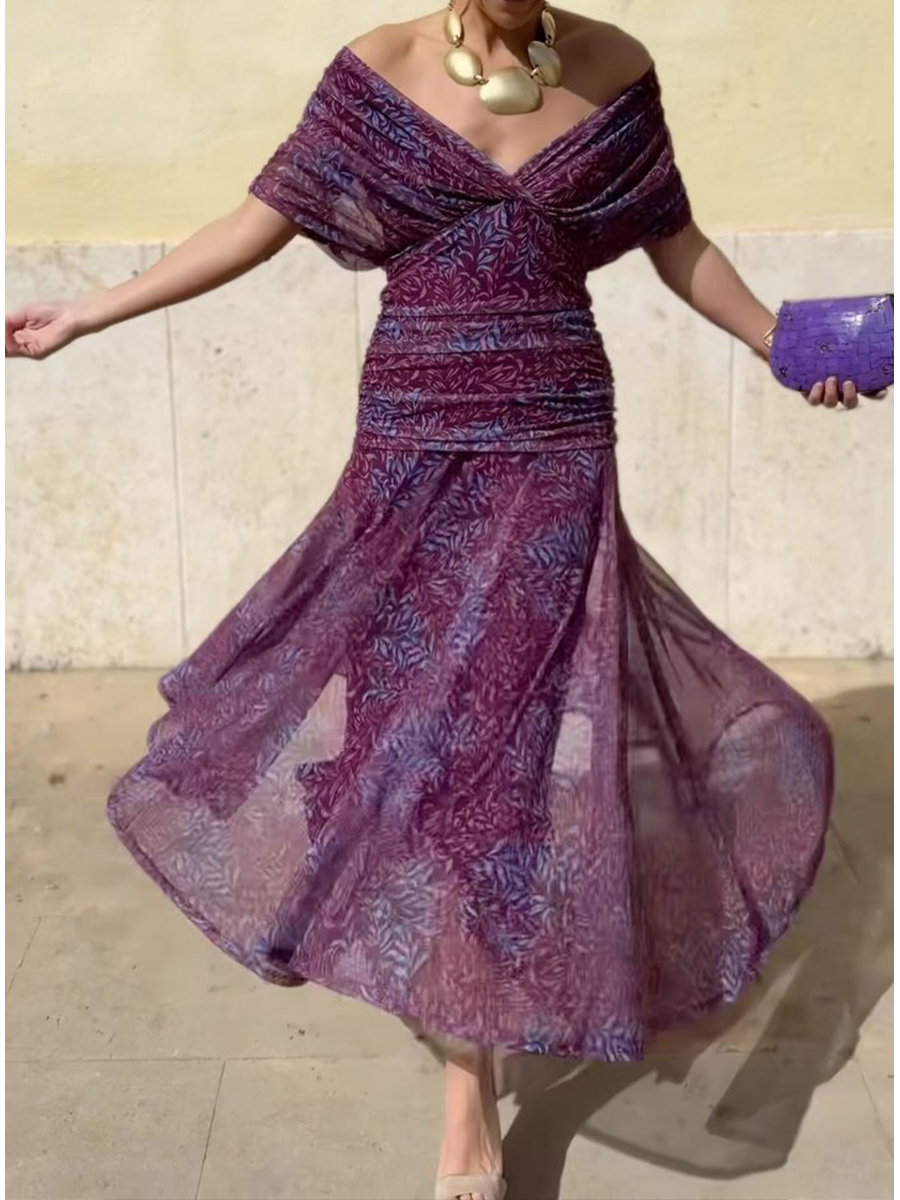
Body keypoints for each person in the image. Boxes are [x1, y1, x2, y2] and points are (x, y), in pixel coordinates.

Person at [6, 5, 873, 1199]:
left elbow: (676, 242)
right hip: (411, 441)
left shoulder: (615, 67)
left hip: (557, 438)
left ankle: (470, 1082)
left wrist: (778, 340)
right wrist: (89, 310)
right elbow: (255, 223)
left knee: (502, 743)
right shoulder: (377, 70)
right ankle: (459, 1001)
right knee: (411, 721)